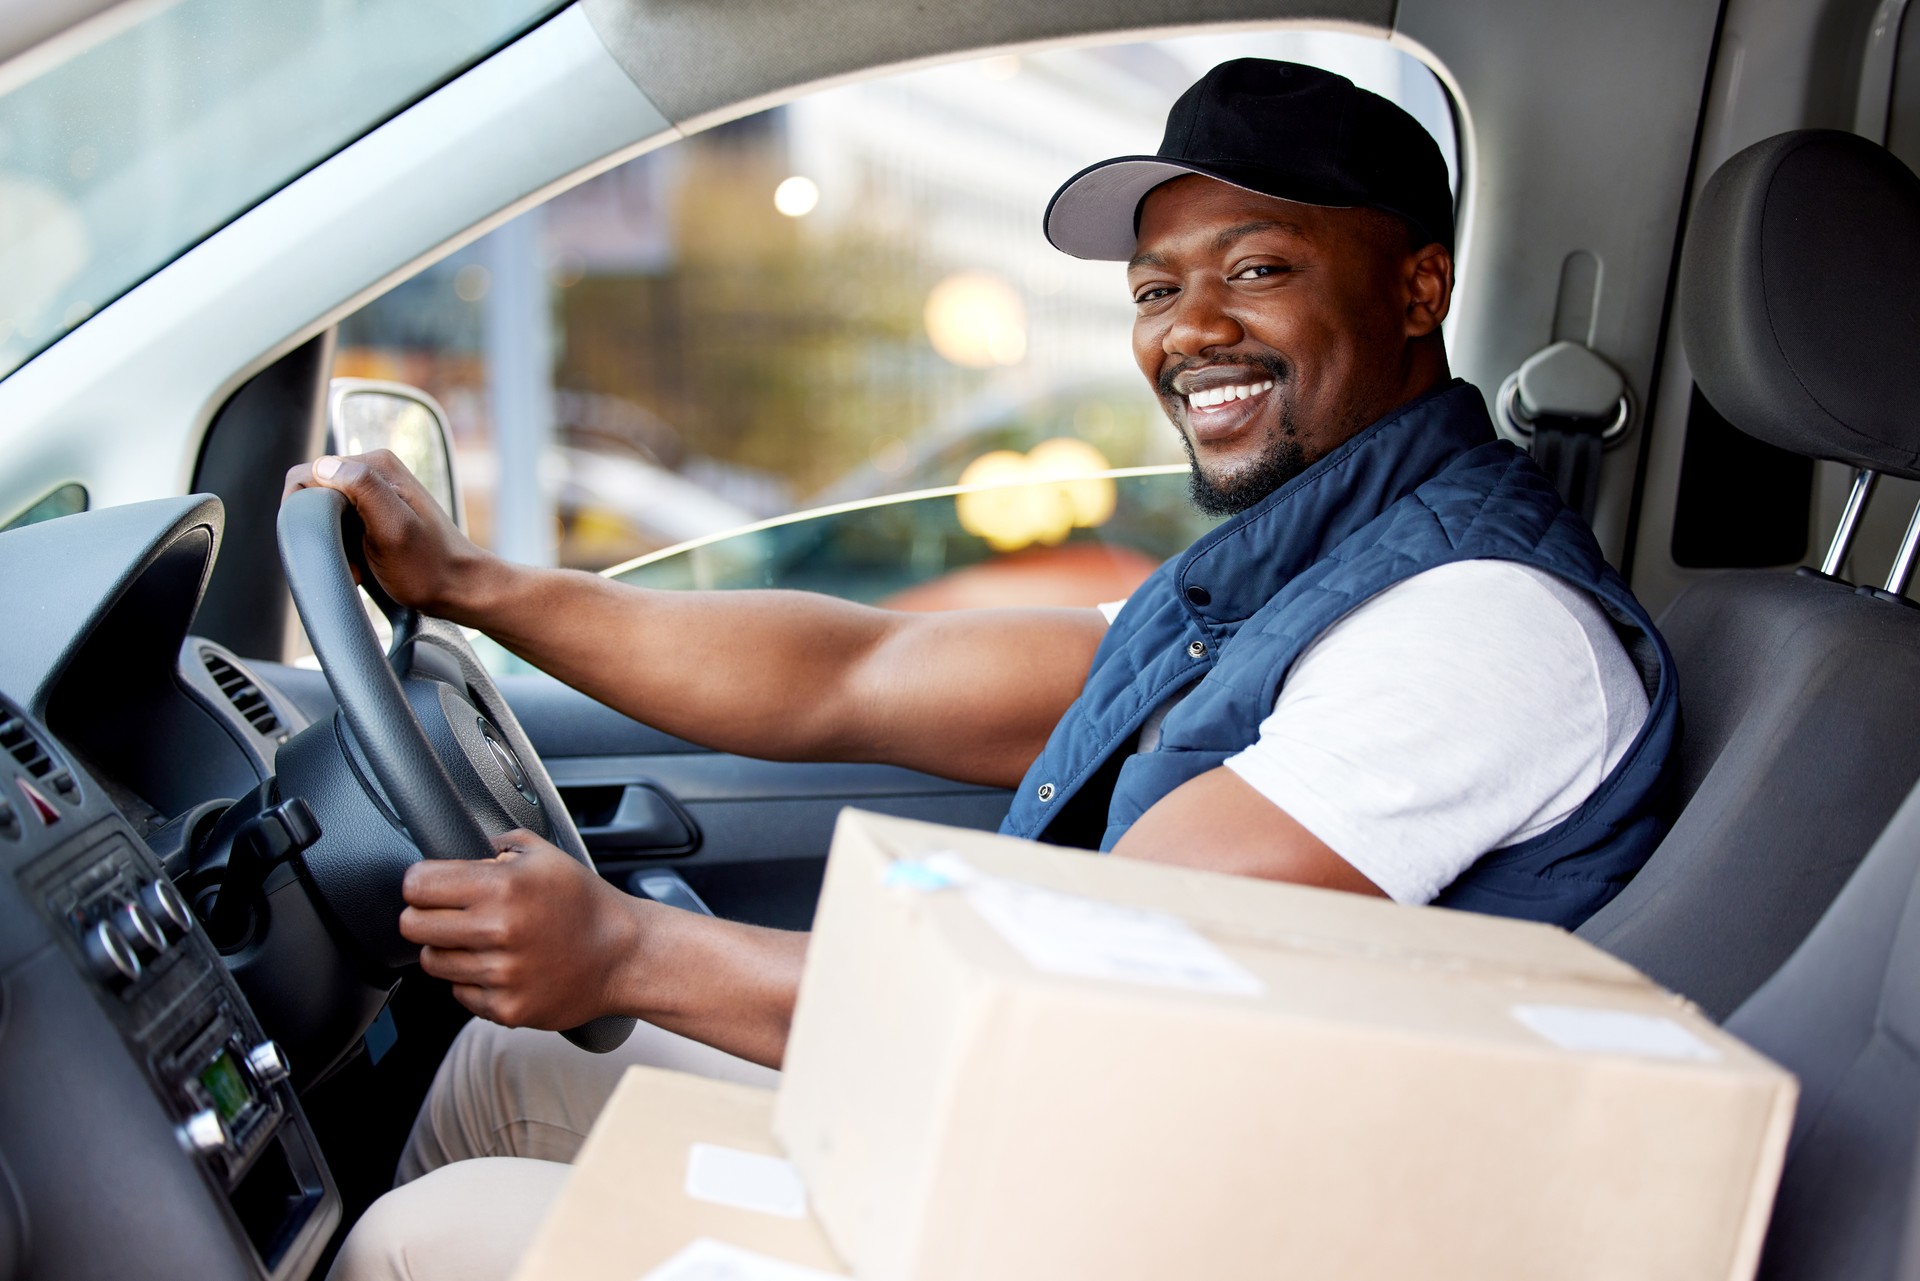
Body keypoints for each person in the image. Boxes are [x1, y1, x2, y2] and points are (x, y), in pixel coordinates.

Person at [313, 59, 1678, 1281]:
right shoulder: (1298, 566)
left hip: (1178, 1221)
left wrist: (626, 946)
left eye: (1255, 269)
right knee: (511, 1062)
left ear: (1417, 288)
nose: (1189, 328)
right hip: (1090, 1156)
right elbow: (862, 669)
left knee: (413, 1245)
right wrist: (470, 584)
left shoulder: (1476, 623)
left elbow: (1080, 979)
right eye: (1156, 287)